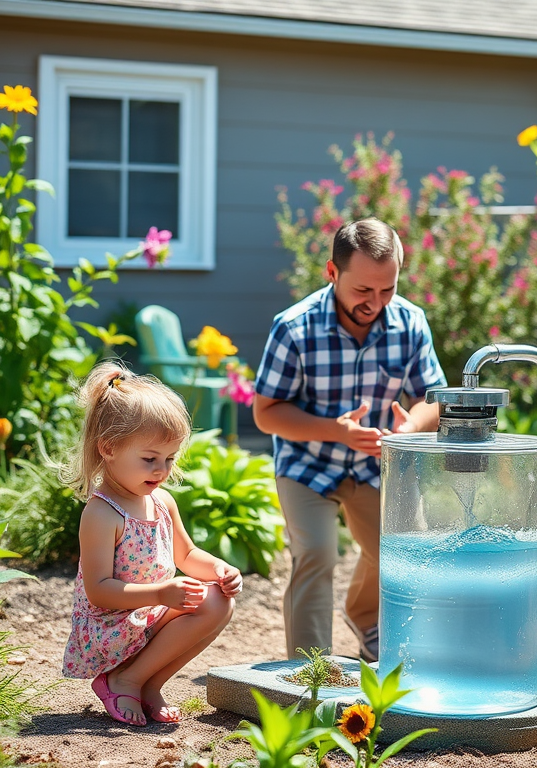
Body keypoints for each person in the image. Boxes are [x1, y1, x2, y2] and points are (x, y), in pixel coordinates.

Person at [253, 217, 447, 661]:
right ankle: (308, 676)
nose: (376, 303)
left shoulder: (410, 323)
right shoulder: (293, 327)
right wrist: (335, 431)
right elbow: (265, 414)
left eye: (388, 290)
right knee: (317, 555)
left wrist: (411, 428)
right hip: (307, 462)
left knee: (397, 549)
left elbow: (432, 399)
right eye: (363, 291)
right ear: (332, 272)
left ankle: (365, 620)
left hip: (375, 462)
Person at [61, 362, 241, 726]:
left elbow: (187, 555)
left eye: (169, 459)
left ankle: (147, 683)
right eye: (149, 459)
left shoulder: (162, 503)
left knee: (220, 601)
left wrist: (220, 570)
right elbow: (98, 592)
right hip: (111, 628)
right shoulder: (102, 513)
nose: (161, 470)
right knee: (204, 602)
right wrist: (160, 593)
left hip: (147, 616)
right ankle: (121, 678)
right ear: (108, 448)